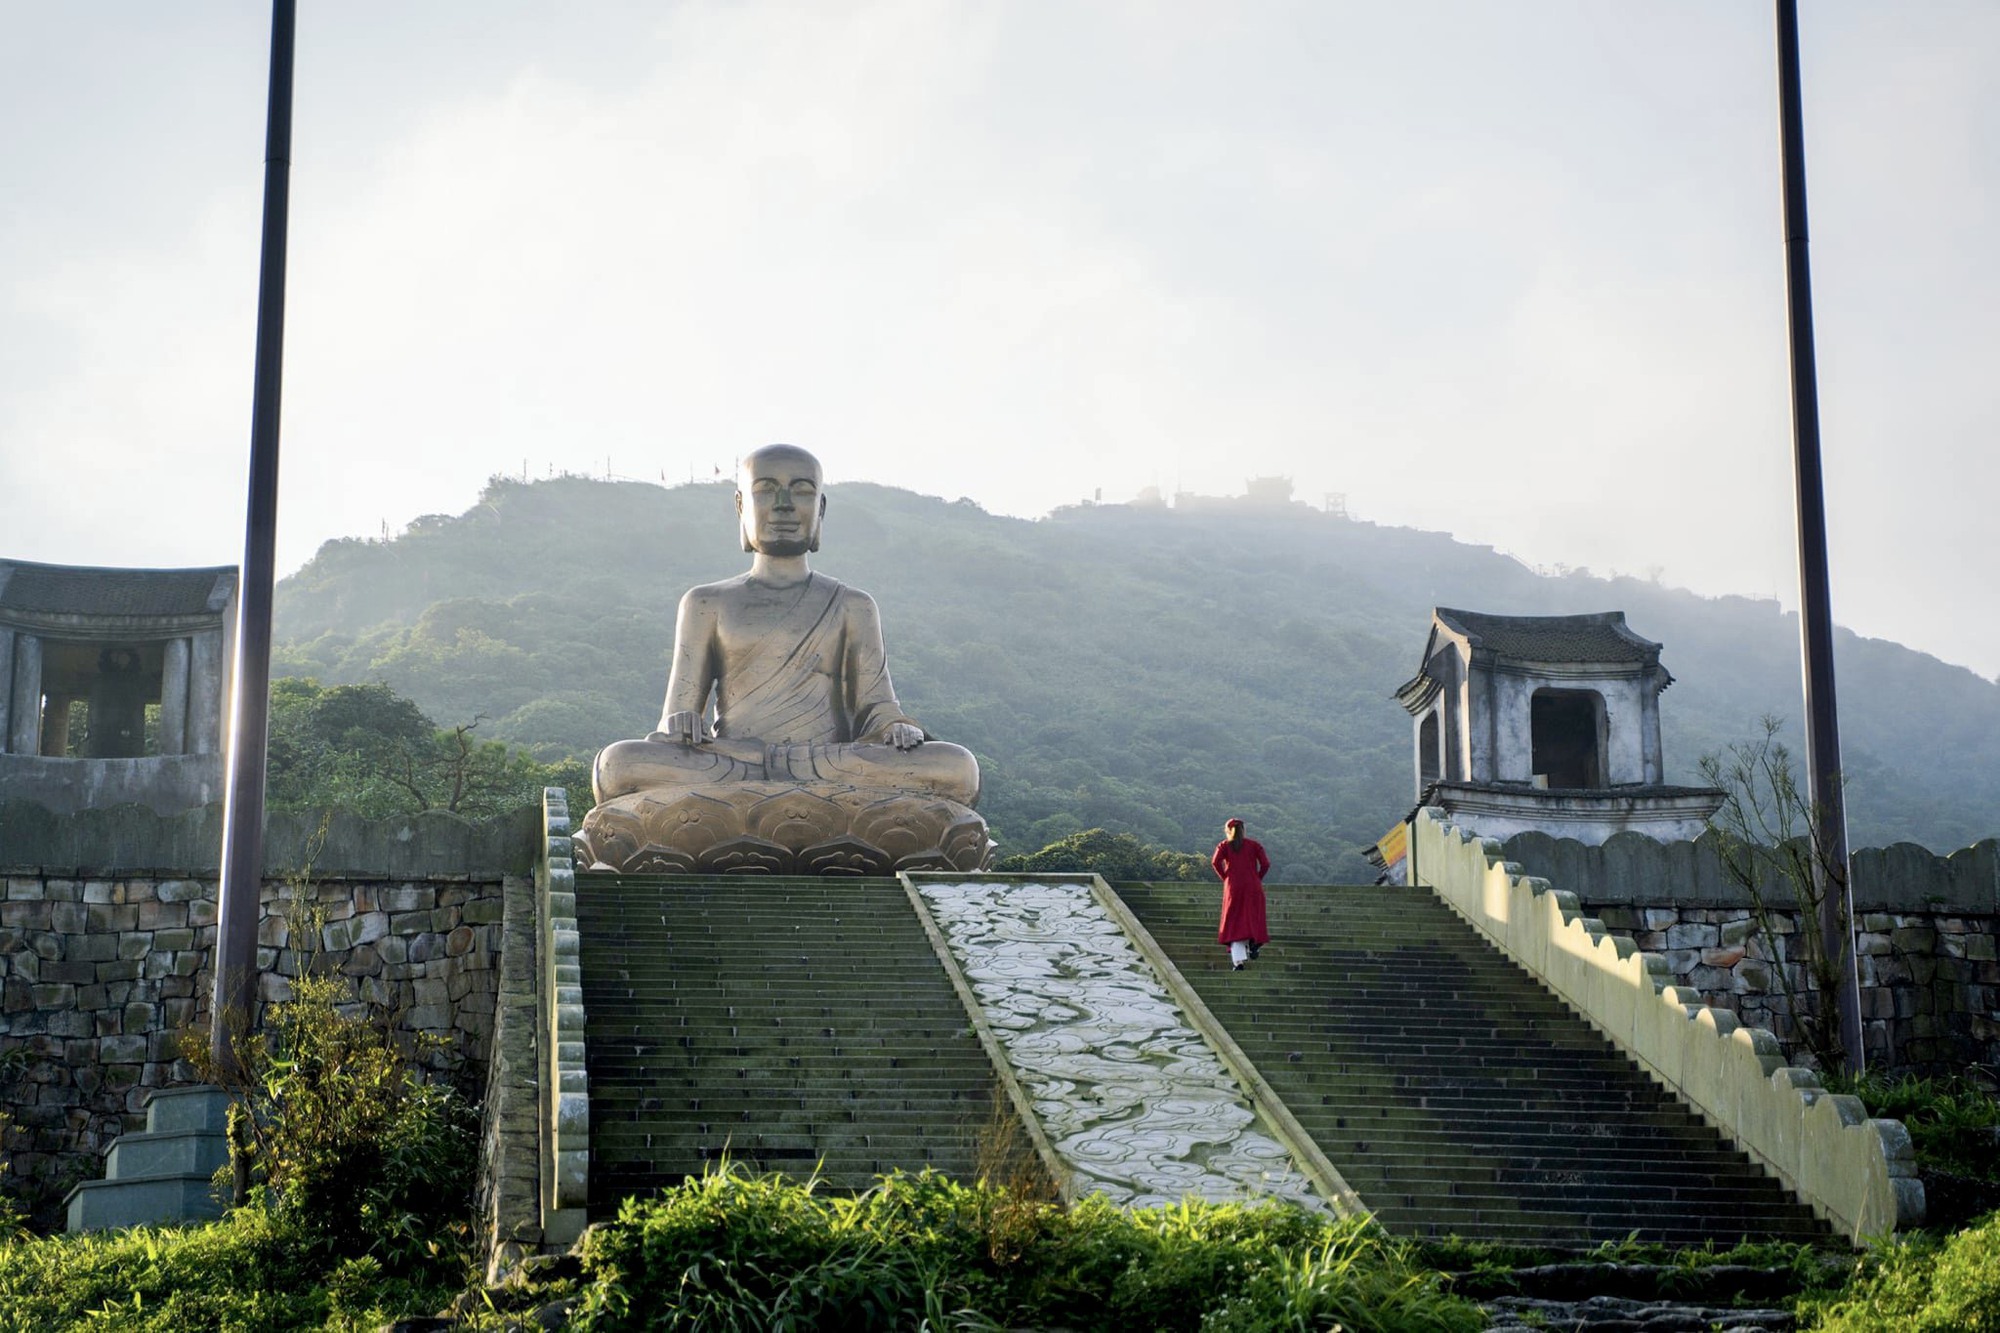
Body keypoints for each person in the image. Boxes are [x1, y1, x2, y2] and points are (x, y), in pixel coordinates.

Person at [591, 444, 980, 806]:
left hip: (829, 764)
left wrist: (895, 727)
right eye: (766, 490)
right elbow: (677, 713)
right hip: (737, 761)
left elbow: (876, 707)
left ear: (821, 508)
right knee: (618, 765)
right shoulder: (705, 603)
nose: (783, 505)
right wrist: (683, 724)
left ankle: (745, 810)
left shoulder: (853, 605)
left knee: (956, 769)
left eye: (801, 491)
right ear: (741, 506)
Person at [1211, 818, 1270, 971]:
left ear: (1228, 830)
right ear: (1243, 829)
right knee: (1252, 917)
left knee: (1234, 922)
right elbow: (1265, 864)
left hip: (1233, 887)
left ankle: (1238, 962)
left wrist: (1225, 877)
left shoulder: (1224, 845)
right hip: (1253, 886)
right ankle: (1254, 942)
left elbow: (1215, 862)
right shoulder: (1254, 845)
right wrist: (1257, 878)